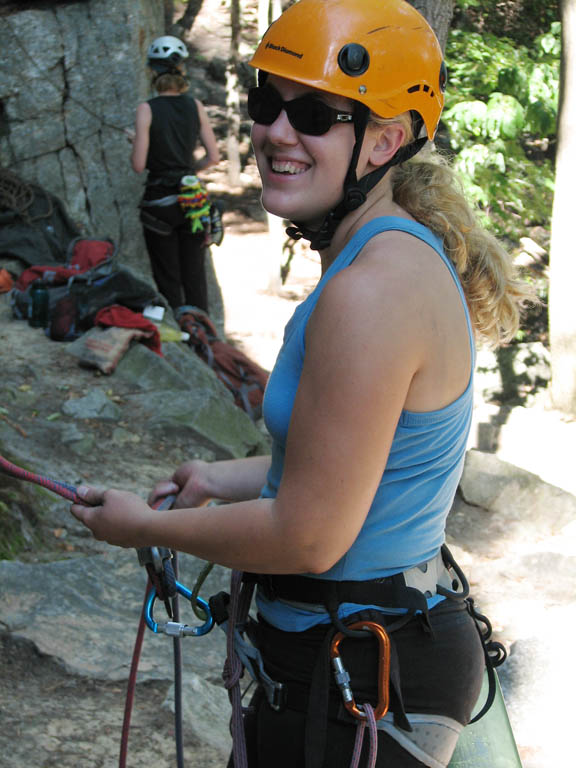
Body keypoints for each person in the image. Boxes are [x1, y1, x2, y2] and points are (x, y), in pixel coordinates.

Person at [72, 1, 534, 766]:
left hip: (362, 677)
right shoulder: (384, 259)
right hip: (362, 659)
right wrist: (221, 477)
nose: (277, 133)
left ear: (385, 141)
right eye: (267, 103)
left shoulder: (372, 290)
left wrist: (144, 527)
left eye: (317, 115)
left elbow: (310, 535)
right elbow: (359, 463)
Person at [129, 35, 220, 314]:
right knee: (195, 277)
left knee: (168, 278)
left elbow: (138, 164)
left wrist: (135, 141)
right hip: (192, 202)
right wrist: (186, 172)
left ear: (152, 71)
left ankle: (177, 336)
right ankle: (203, 337)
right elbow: (214, 157)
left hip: (160, 204)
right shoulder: (195, 107)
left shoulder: (147, 109)